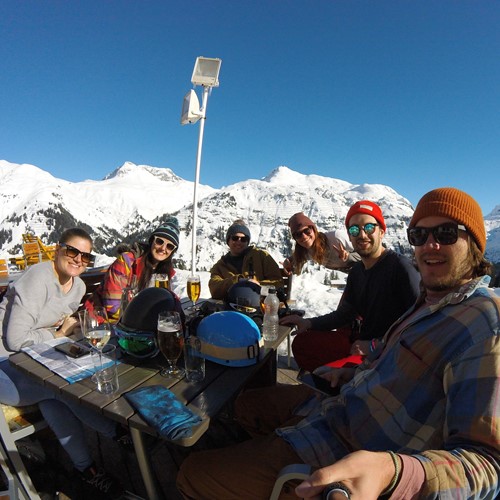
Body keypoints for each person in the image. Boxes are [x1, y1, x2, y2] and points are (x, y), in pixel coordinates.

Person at [176, 187, 500, 499]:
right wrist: (356, 361)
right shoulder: (427, 301)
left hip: (349, 448)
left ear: (474, 243)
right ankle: (259, 464)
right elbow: (357, 321)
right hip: (342, 404)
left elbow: (487, 467)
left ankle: (272, 475)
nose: (430, 245)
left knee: (190, 472)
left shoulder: (482, 324)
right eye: (419, 236)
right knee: (245, 406)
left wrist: (393, 471)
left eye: (445, 234)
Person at [0, 228, 125, 497]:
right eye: (72, 251)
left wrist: (70, 333)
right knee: (59, 387)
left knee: (56, 393)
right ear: (58, 249)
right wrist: (58, 334)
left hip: (32, 361)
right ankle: (118, 432)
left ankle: (86, 469)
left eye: (86, 257)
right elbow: (15, 339)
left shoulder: (78, 286)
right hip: (4, 366)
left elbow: (60, 328)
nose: (78, 259)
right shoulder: (38, 278)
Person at [281, 200, 420, 372]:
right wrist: (307, 323)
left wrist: (374, 345)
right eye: (355, 230)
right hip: (361, 346)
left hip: (392, 357)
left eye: (369, 227)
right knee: (303, 344)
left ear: (382, 231)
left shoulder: (400, 268)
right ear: (350, 235)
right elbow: (343, 315)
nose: (362, 235)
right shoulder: (358, 273)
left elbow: (422, 325)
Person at [90, 216, 180, 323]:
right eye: (159, 241)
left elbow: (165, 303)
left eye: (170, 246)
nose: (163, 248)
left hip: (135, 324)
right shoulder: (127, 261)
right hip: (102, 322)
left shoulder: (165, 273)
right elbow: (112, 307)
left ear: (173, 251)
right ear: (152, 241)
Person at [209, 219, 283, 300]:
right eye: (235, 238)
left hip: (260, 306)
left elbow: (278, 283)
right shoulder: (221, 265)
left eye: (243, 239)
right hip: (230, 307)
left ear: (247, 242)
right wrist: (237, 281)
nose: (239, 242)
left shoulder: (261, 256)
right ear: (228, 241)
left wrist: (256, 286)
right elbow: (214, 288)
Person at [283, 212, 361, 275]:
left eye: (306, 231)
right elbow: (297, 258)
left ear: (314, 229)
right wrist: (289, 262)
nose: (304, 236)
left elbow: (369, 252)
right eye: (298, 234)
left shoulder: (336, 237)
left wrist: (349, 256)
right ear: (295, 239)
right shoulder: (306, 250)